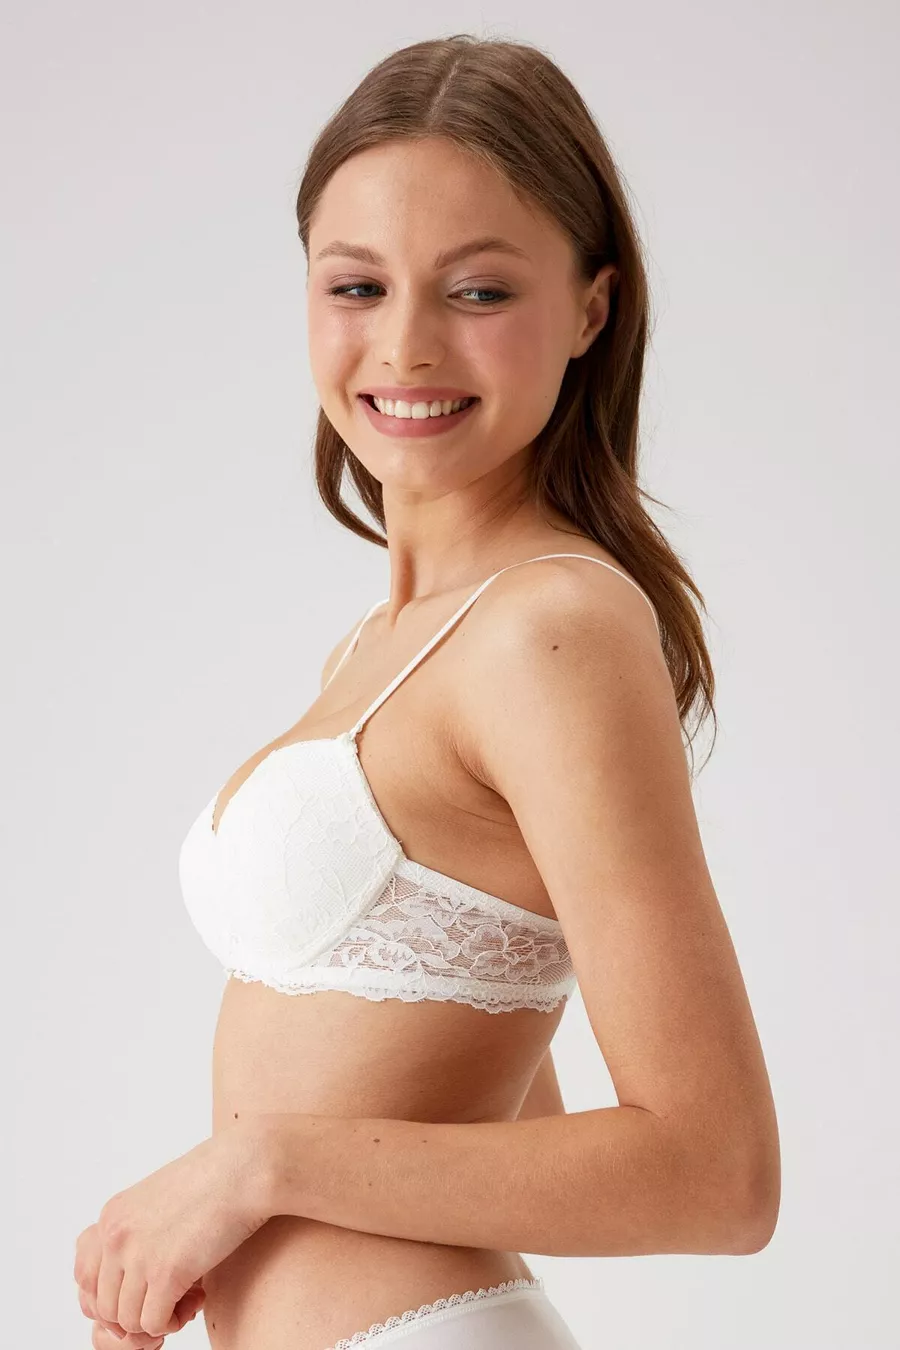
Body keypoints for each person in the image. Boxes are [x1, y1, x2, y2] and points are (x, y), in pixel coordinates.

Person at [74, 32, 780, 1350]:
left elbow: (716, 1172)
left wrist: (260, 1165)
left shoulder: (551, 627)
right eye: (358, 284)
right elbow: (486, 1070)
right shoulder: (387, 642)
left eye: (478, 291)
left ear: (592, 310)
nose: (404, 346)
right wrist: (224, 1224)